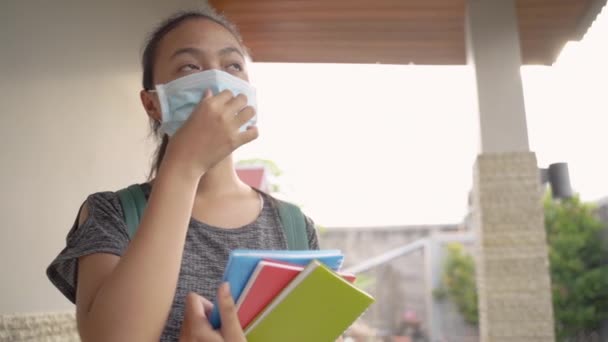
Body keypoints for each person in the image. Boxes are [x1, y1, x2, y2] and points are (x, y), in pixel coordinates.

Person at [46, 6, 320, 342]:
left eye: (233, 65)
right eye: (190, 66)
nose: (218, 80)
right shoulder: (111, 215)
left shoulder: (294, 227)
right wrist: (184, 167)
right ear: (152, 104)